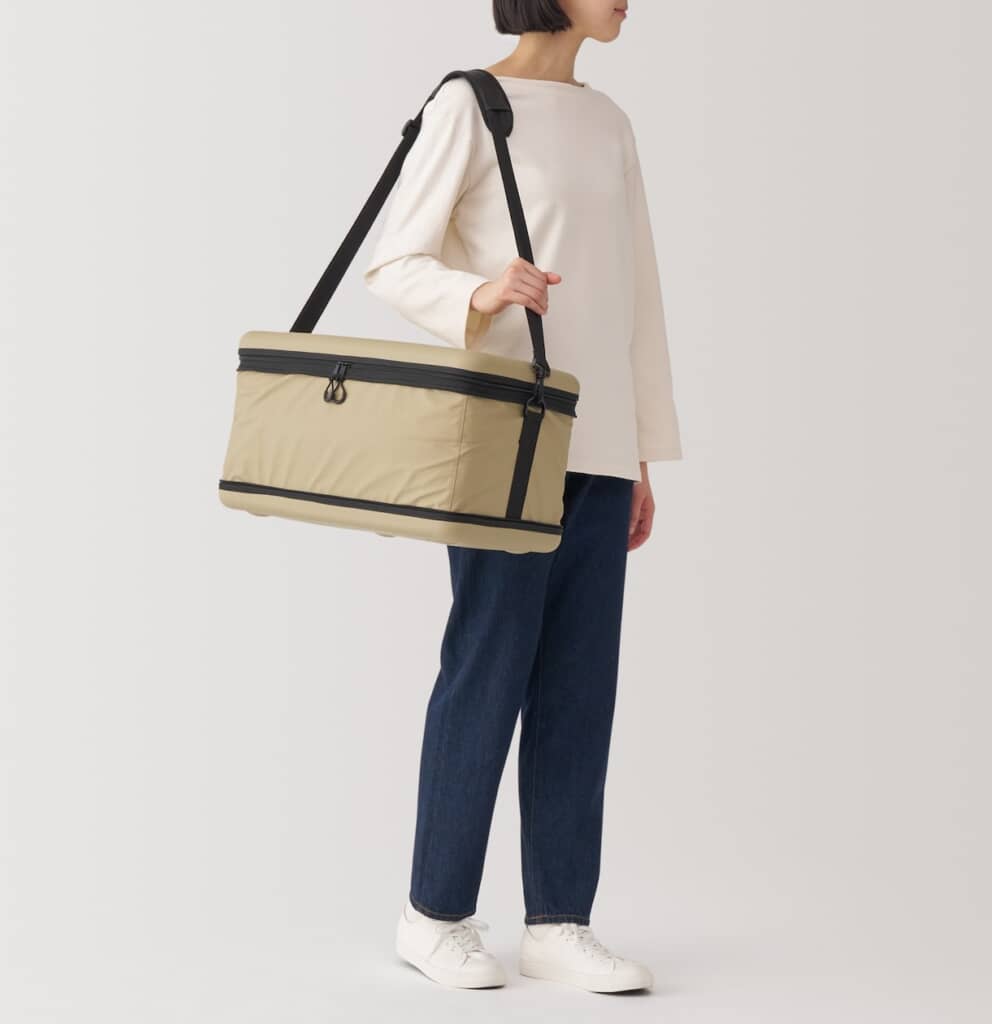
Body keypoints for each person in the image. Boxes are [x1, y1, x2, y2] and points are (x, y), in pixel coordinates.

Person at [362, 0, 681, 994]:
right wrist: (479, 292)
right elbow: (392, 258)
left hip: (598, 440)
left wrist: (640, 452)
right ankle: (433, 914)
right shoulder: (470, 103)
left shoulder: (609, 122)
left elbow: (637, 296)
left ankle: (559, 921)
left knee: (581, 685)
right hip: (504, 434)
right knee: (487, 667)